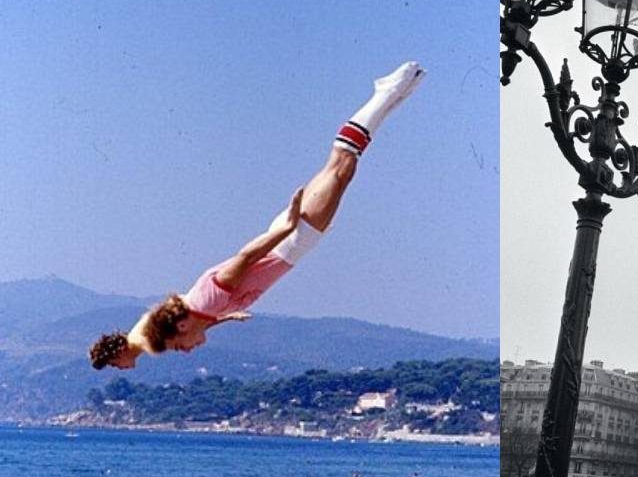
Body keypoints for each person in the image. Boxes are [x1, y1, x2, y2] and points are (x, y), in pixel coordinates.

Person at [89, 61, 425, 370]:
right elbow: (207, 316)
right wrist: (228, 317)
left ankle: (386, 93)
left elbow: (247, 256)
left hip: (291, 240)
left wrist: (290, 226)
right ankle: (392, 96)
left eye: (180, 346)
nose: (188, 350)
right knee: (344, 167)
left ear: (181, 325)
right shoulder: (203, 310)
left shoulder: (206, 299)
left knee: (341, 164)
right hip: (293, 242)